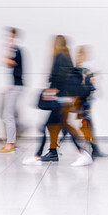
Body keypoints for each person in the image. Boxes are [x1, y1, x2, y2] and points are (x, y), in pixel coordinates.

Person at [22, 35, 93, 167]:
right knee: (60, 126)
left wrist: (50, 89)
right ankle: (73, 153)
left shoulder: (59, 57)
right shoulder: (67, 58)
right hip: (64, 99)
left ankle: (39, 156)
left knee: (47, 126)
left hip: (59, 100)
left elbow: (59, 79)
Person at [72, 45, 106, 158]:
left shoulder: (82, 68)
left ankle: (91, 147)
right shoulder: (82, 69)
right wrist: (90, 79)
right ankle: (91, 148)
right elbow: (81, 83)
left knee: (86, 123)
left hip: (85, 99)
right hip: (84, 99)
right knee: (87, 123)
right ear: (83, 55)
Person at [0, 27, 24, 153]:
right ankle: (11, 141)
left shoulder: (15, 49)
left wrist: (5, 54)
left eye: (9, 36)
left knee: (8, 115)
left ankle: (10, 144)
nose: (7, 39)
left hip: (16, 85)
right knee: (9, 114)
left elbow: (9, 63)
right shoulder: (14, 49)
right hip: (14, 85)